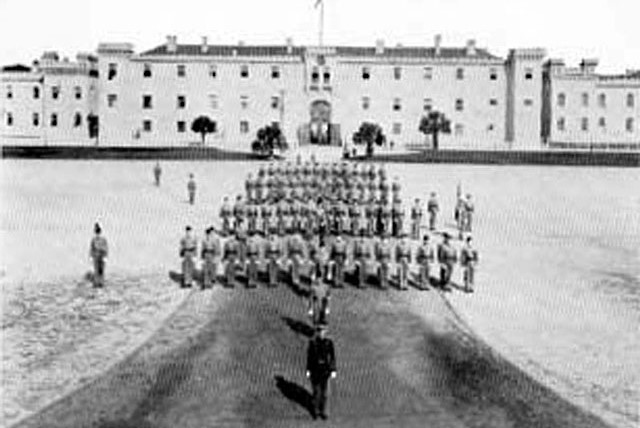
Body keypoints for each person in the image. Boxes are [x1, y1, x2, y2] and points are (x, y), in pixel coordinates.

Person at [306, 324, 337, 420]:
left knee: (326, 393)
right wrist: (308, 369)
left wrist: (333, 369)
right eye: (319, 331)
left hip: (325, 371)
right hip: (315, 371)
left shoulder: (329, 343)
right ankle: (316, 411)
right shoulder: (313, 343)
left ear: (325, 332)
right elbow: (309, 357)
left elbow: (332, 357)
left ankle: (324, 412)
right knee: (316, 392)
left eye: (323, 331)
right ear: (317, 332)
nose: (321, 333)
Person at [89, 222, 108, 288]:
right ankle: (97, 283)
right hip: (96, 256)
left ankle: (101, 283)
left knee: (101, 270)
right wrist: (91, 256)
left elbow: (105, 248)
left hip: (101, 256)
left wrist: (105, 257)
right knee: (96, 270)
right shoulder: (94, 239)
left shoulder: (103, 239)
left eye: (98, 231)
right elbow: (92, 248)